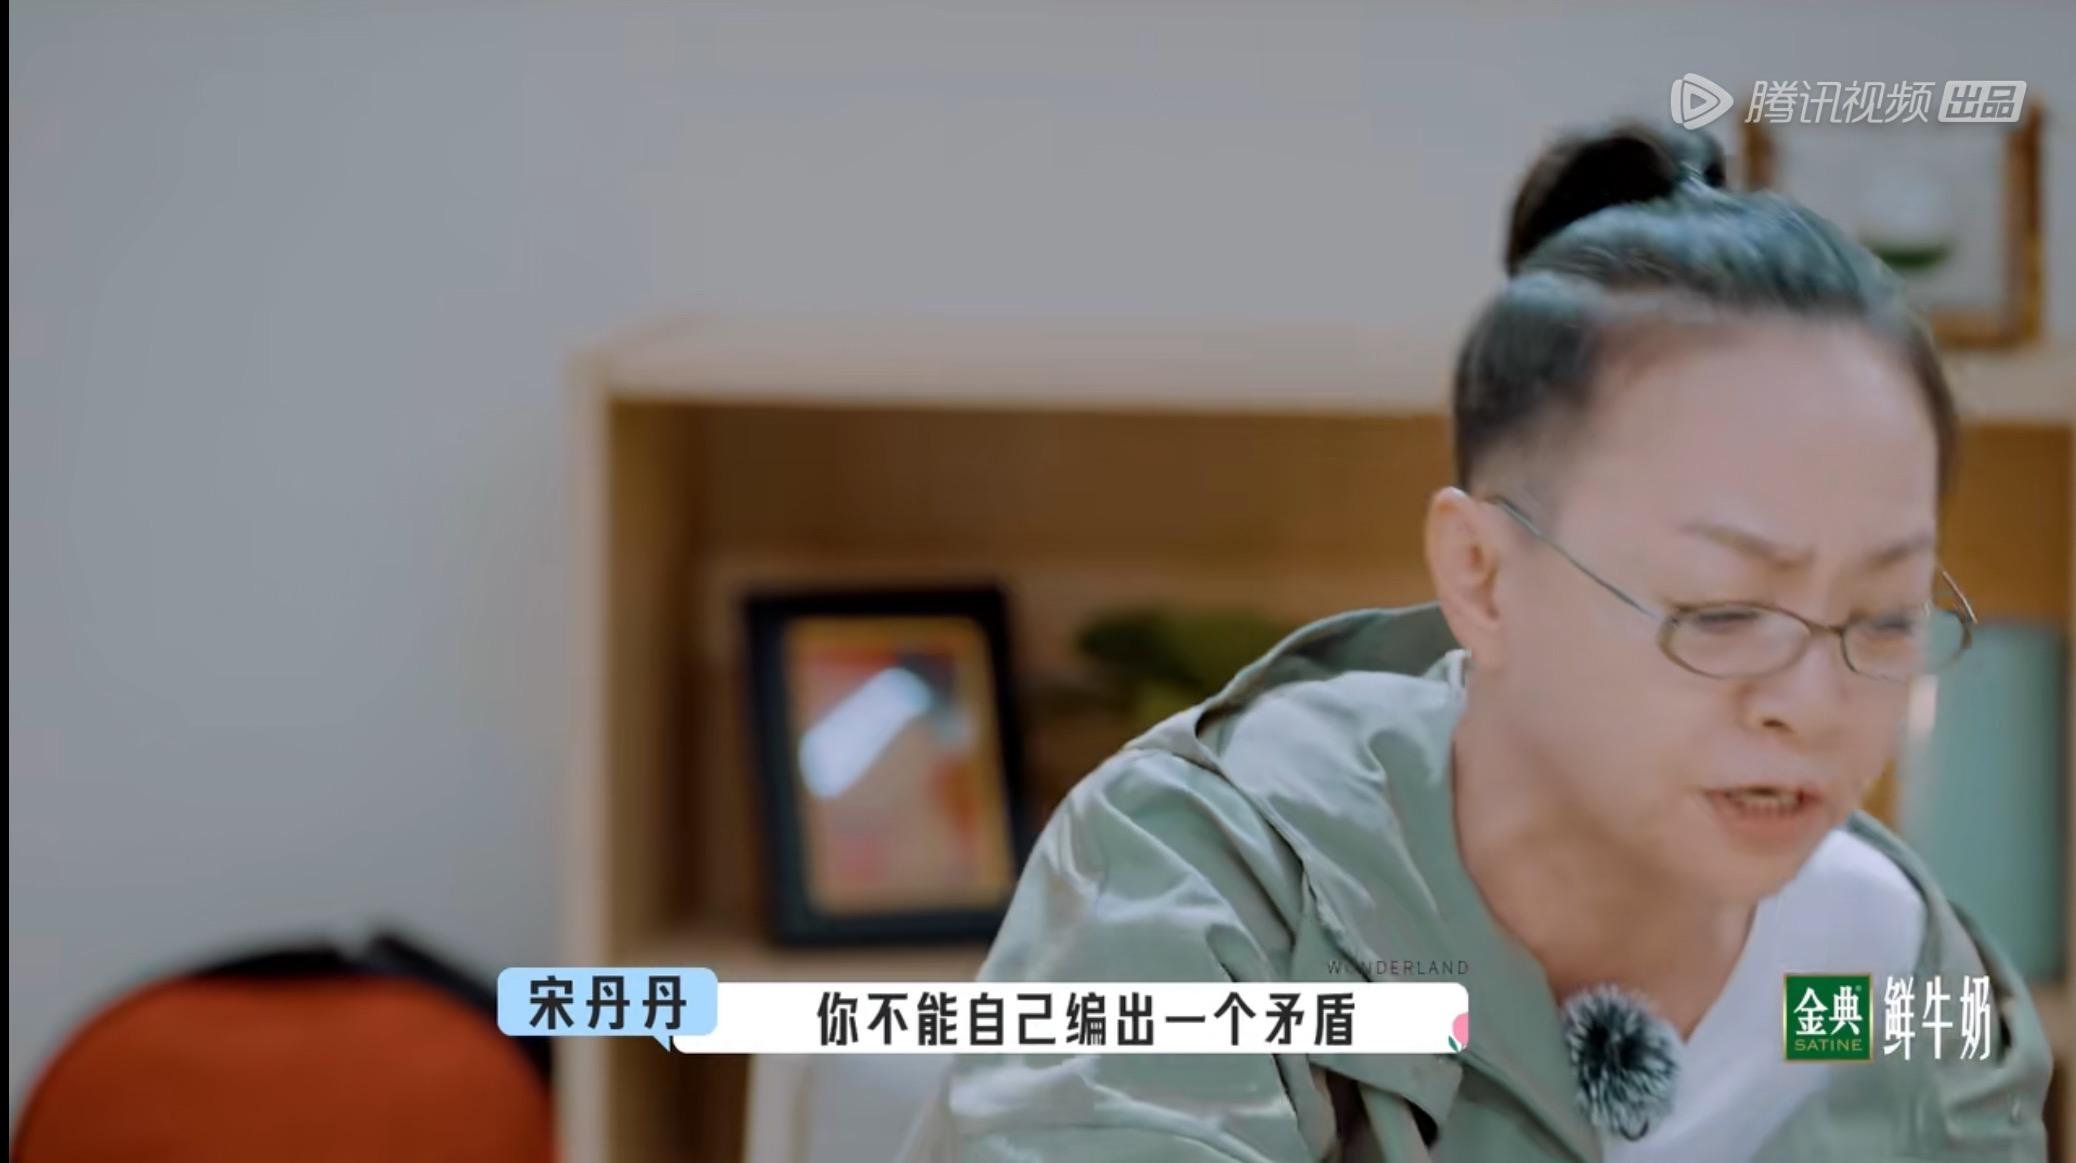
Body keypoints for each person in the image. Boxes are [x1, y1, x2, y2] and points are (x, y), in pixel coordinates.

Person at [894, 119, 2053, 1161]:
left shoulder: (1890, 974)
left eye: (1883, 616)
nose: (1813, 702)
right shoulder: (1215, 881)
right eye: (1720, 609)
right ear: (1485, 577)